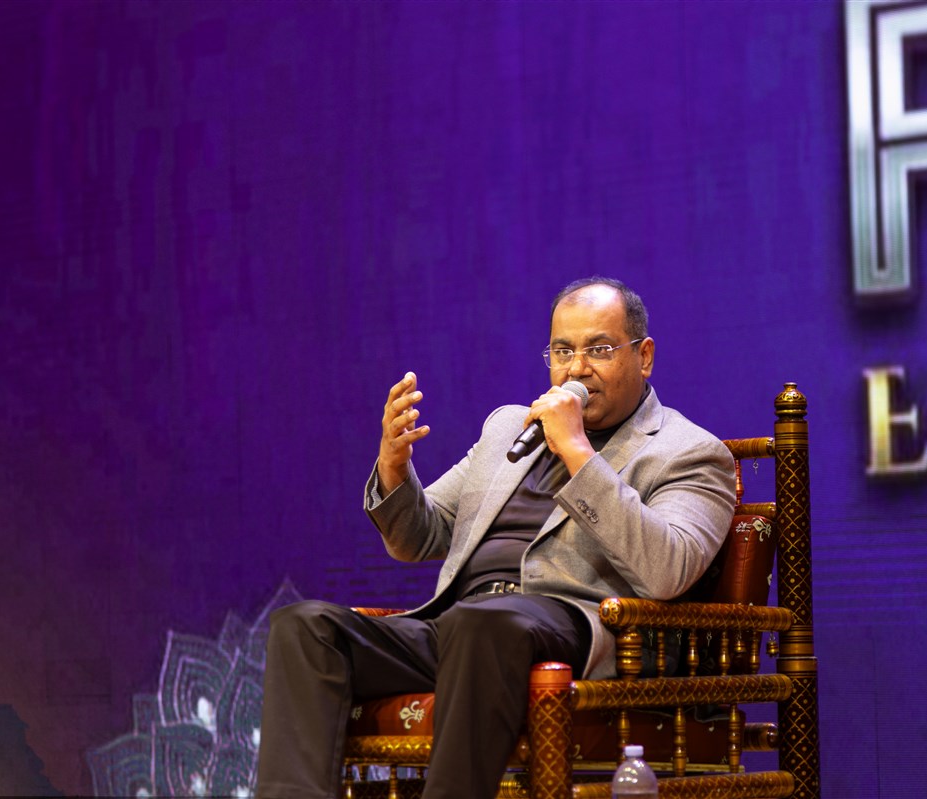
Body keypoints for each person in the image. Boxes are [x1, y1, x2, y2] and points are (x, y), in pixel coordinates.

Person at [255, 277, 735, 799]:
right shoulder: (510, 428)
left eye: (599, 350)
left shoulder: (688, 451)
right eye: (562, 351)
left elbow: (668, 570)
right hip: (460, 625)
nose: (577, 369)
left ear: (643, 357)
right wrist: (393, 470)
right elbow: (419, 536)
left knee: (485, 623)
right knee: (304, 628)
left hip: (568, 626)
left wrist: (578, 452)